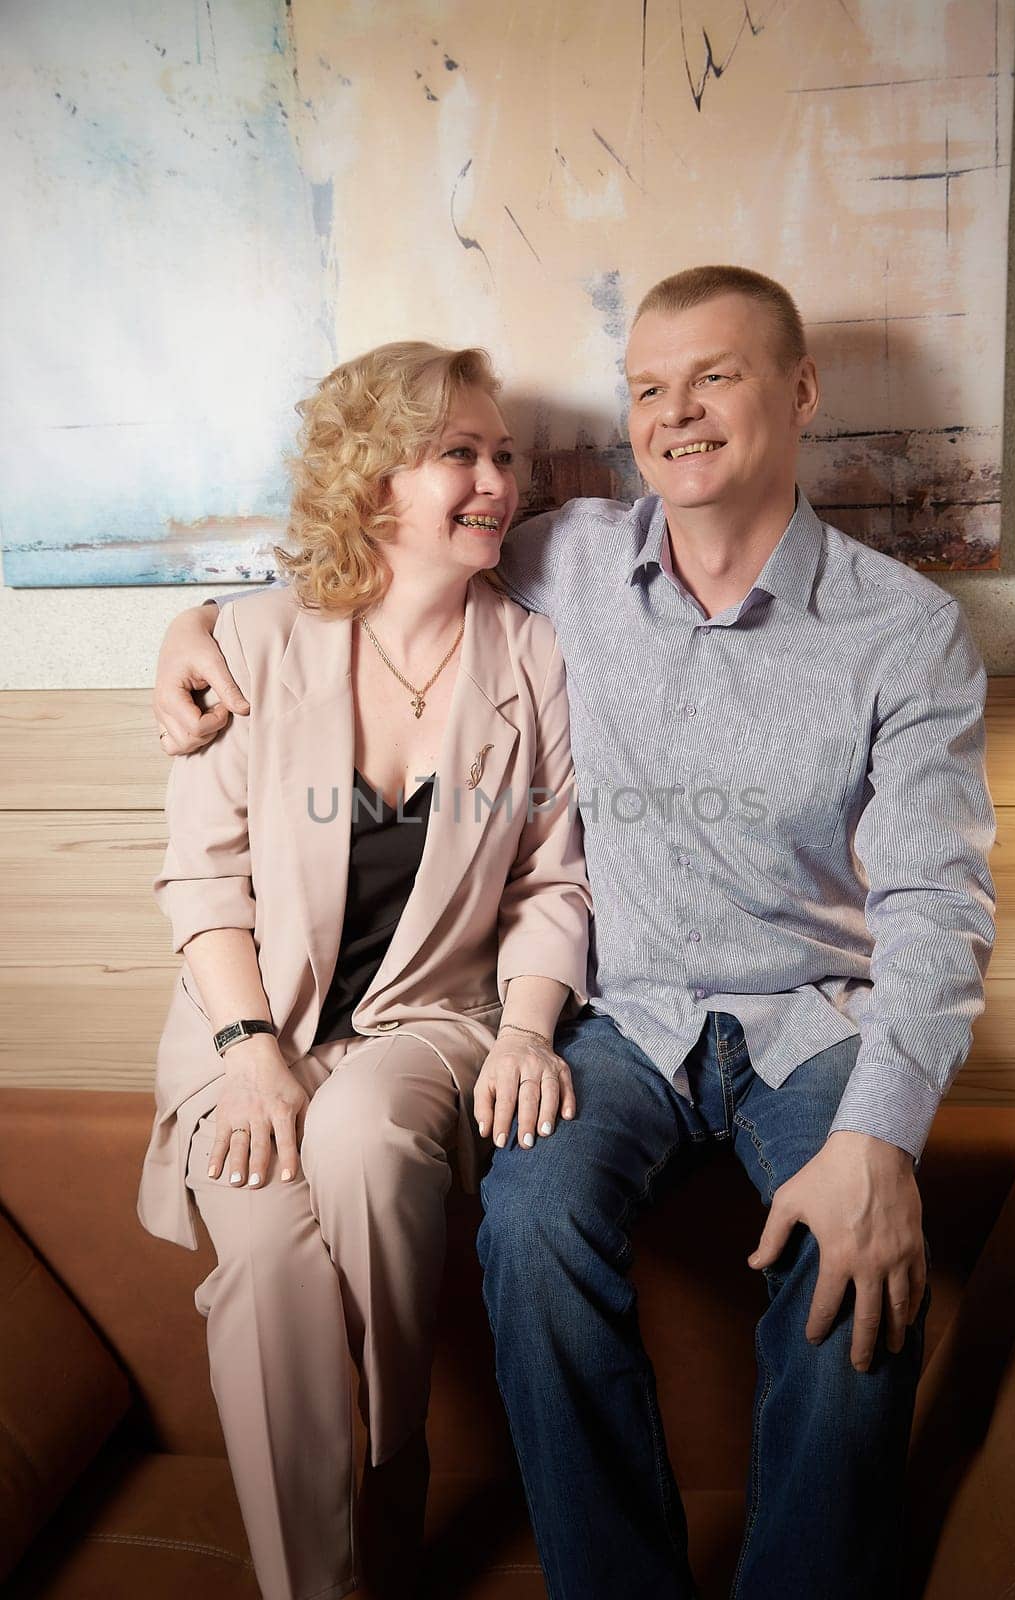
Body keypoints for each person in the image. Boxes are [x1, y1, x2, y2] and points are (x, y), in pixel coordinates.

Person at [153, 266, 996, 1600]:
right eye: (646, 388)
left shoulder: (907, 631)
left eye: (710, 377)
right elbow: (367, 562)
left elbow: (935, 905)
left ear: (797, 390)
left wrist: (880, 1136)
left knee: (853, 1239)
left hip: (817, 1017)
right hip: (628, 1017)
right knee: (529, 1213)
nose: (674, 414)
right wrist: (194, 629)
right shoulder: (566, 559)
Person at [137, 340, 592, 1600]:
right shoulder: (247, 642)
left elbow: (554, 877)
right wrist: (248, 1055)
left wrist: (525, 1031)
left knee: (358, 1138)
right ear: (372, 478)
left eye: (504, 454)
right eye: (460, 452)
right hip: (244, 1028)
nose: (497, 478)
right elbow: (202, 881)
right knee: (271, 1276)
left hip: (428, 1023)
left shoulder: (534, 657)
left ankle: (396, 1476)